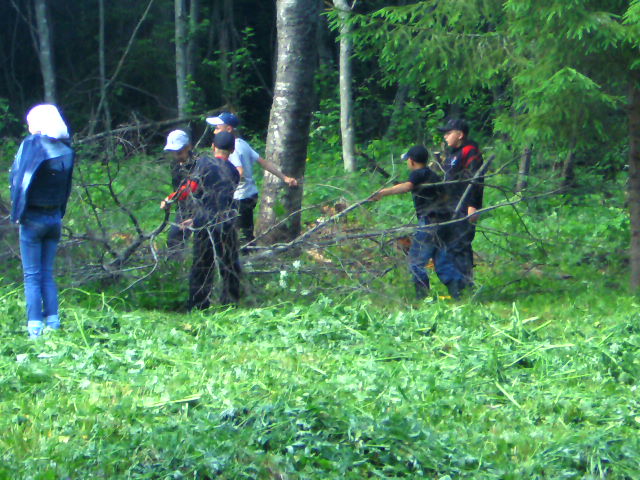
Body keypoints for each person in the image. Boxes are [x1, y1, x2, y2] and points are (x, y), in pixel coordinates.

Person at [10, 104, 75, 338]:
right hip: (54, 217)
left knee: (31, 275)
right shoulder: (67, 150)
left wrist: (18, 214)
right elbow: (67, 187)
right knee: (47, 273)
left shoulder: (32, 145)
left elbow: (19, 180)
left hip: (33, 218)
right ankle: (53, 323)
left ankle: (34, 328)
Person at [369, 145, 465, 299]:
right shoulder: (433, 175)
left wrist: (383, 193)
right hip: (443, 223)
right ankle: (461, 294)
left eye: (408, 160)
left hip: (429, 224)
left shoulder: (418, 174)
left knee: (416, 261)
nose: (407, 163)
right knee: (442, 261)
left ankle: (422, 297)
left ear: (412, 161)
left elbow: (407, 186)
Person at [161, 131, 241, 309]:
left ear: (213, 147)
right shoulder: (235, 172)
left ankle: (198, 305)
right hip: (227, 221)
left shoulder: (205, 162)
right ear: (233, 149)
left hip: (205, 221)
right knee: (229, 264)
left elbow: (191, 187)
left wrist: (170, 199)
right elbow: (222, 199)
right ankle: (230, 304)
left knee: (202, 265)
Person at [205, 112, 298, 246]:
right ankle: (250, 255)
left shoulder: (232, 149)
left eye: (218, 128)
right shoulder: (242, 143)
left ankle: (248, 259)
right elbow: (263, 162)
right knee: (246, 231)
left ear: (229, 129)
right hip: (250, 194)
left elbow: (239, 171)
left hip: (239, 198)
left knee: (240, 235)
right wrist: (285, 178)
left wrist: (221, 189)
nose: (215, 132)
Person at [436, 118, 484, 288]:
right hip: (450, 206)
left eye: (449, 133)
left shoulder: (470, 151)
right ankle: (458, 284)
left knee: (461, 245)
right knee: (450, 245)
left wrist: (473, 206)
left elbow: (476, 180)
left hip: (464, 207)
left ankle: (466, 285)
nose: (445, 137)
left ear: (460, 134)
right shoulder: (452, 154)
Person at [163, 129, 195, 250]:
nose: (176, 156)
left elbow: (191, 188)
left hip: (201, 207)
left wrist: (171, 198)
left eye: (179, 152)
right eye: (173, 152)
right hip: (183, 208)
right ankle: (177, 266)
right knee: (174, 239)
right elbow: (178, 188)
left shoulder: (199, 163)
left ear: (189, 147)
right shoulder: (175, 165)